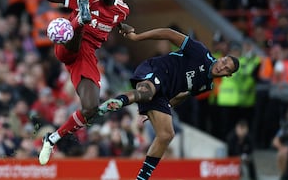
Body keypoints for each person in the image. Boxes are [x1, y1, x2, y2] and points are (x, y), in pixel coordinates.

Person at [98, 24, 240, 180]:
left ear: (228, 76)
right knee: (147, 92)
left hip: (163, 95)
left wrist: (162, 109)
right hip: (155, 69)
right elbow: (168, 33)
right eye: (223, 62)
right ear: (220, 57)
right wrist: (137, 37)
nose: (222, 68)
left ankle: (142, 177)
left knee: (166, 134)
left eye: (227, 69)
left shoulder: (207, 85)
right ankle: (115, 102)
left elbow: (183, 94)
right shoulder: (200, 52)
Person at [38, 0, 129, 165]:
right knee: (74, 32)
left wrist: (122, 27)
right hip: (68, 43)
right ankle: (80, 20)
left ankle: (52, 139)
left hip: (86, 56)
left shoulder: (123, 11)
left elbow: (114, 19)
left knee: (91, 108)